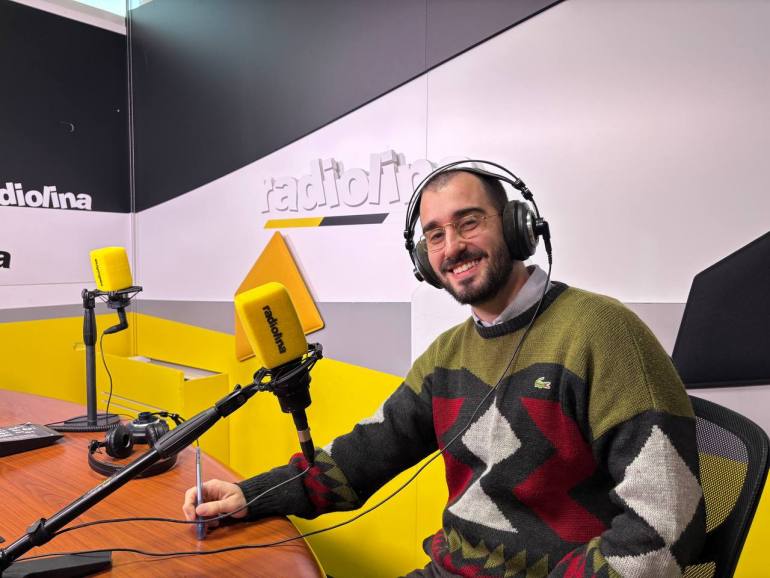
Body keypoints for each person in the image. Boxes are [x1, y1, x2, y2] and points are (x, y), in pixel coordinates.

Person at [184, 165, 706, 577]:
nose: (452, 246)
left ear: (518, 227)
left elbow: (664, 524)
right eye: (434, 235)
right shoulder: (447, 355)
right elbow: (363, 456)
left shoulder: (601, 331)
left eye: (469, 222)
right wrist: (250, 495)